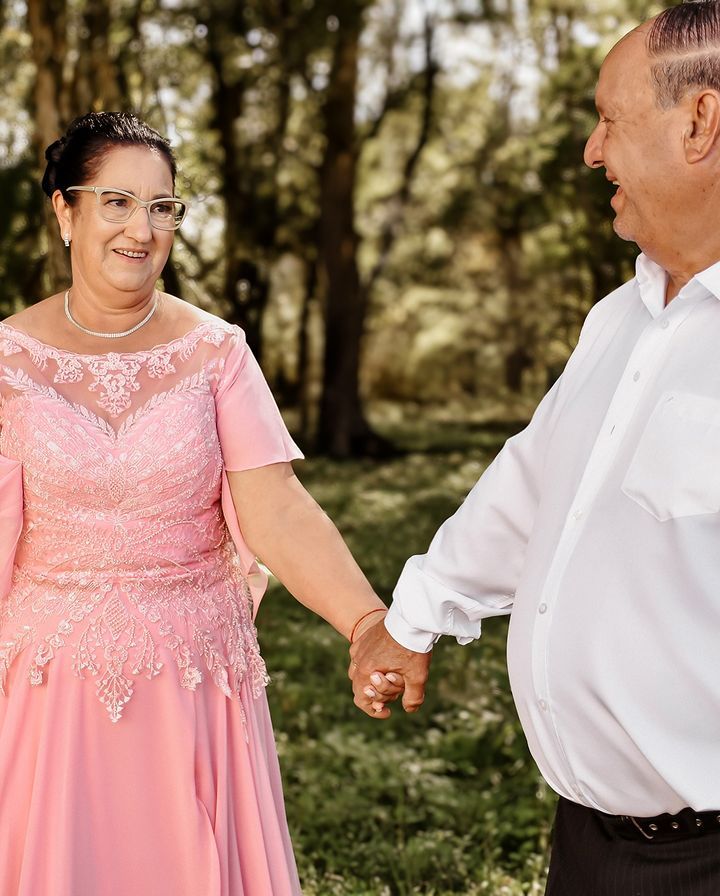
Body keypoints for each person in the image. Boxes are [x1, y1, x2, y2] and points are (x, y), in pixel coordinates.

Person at [349, 2, 720, 893]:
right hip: (590, 846)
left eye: (610, 119)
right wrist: (415, 617)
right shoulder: (619, 318)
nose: (593, 151)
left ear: (700, 123)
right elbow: (533, 485)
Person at [0, 110, 400, 896]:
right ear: (65, 210)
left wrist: (366, 622)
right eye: (117, 202)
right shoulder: (9, 358)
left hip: (191, 684)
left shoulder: (216, 351)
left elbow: (275, 506)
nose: (141, 229)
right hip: (51, 693)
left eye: (161, 207)